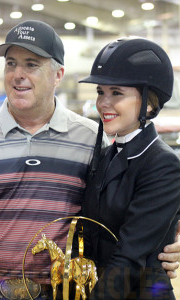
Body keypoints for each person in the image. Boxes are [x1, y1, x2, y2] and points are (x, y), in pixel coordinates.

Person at [0, 20, 178, 300]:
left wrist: (165, 240)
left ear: (58, 74)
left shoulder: (90, 140)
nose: (104, 103)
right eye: (11, 64)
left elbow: (131, 252)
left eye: (31, 65)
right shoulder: (107, 150)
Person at [79, 37, 180, 299]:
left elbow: (130, 256)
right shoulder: (104, 155)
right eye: (101, 92)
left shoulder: (163, 164)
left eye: (117, 93)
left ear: (148, 103)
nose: (103, 103)